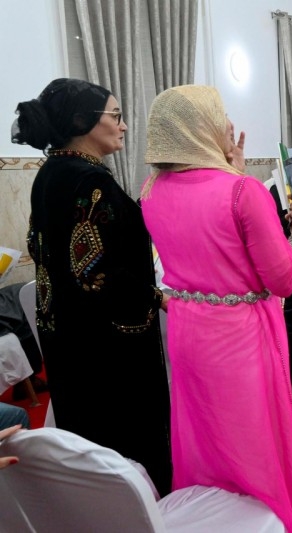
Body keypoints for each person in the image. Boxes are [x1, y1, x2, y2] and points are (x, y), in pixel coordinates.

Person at [141, 84, 292, 533]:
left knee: (205, 437)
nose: (229, 125)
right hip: (240, 336)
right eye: (220, 116)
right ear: (200, 127)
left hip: (187, 332)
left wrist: (228, 170)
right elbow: (282, 279)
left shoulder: (151, 189)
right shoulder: (244, 192)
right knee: (254, 445)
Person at [12, 78, 172, 496]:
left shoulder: (51, 173)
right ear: (83, 121)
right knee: (126, 443)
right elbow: (95, 273)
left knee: (88, 440)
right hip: (109, 343)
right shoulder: (89, 181)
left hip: (66, 334)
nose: (122, 126)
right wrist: (159, 297)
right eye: (115, 116)